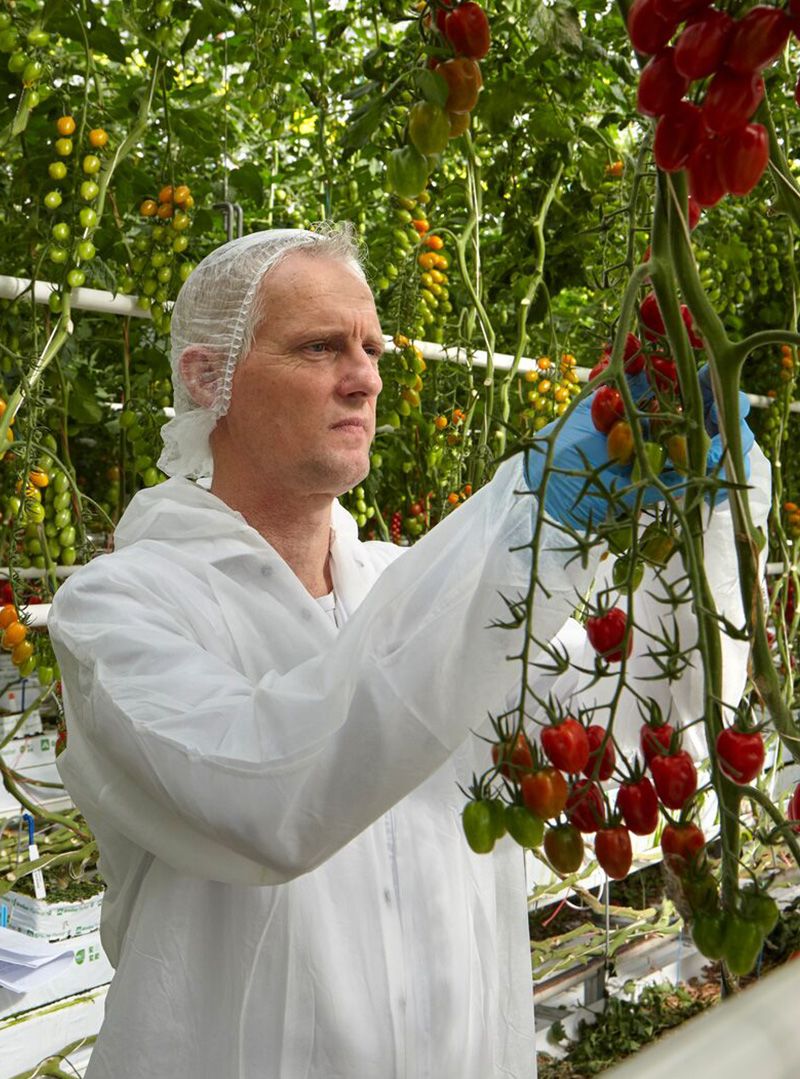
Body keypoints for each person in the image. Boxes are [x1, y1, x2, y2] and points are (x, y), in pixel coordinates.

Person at [48, 225, 764, 1079]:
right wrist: (533, 511)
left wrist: (718, 512)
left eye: (372, 347)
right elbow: (271, 789)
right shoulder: (119, 611)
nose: (366, 376)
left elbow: (653, 722)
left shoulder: (410, 590)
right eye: (321, 346)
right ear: (209, 378)